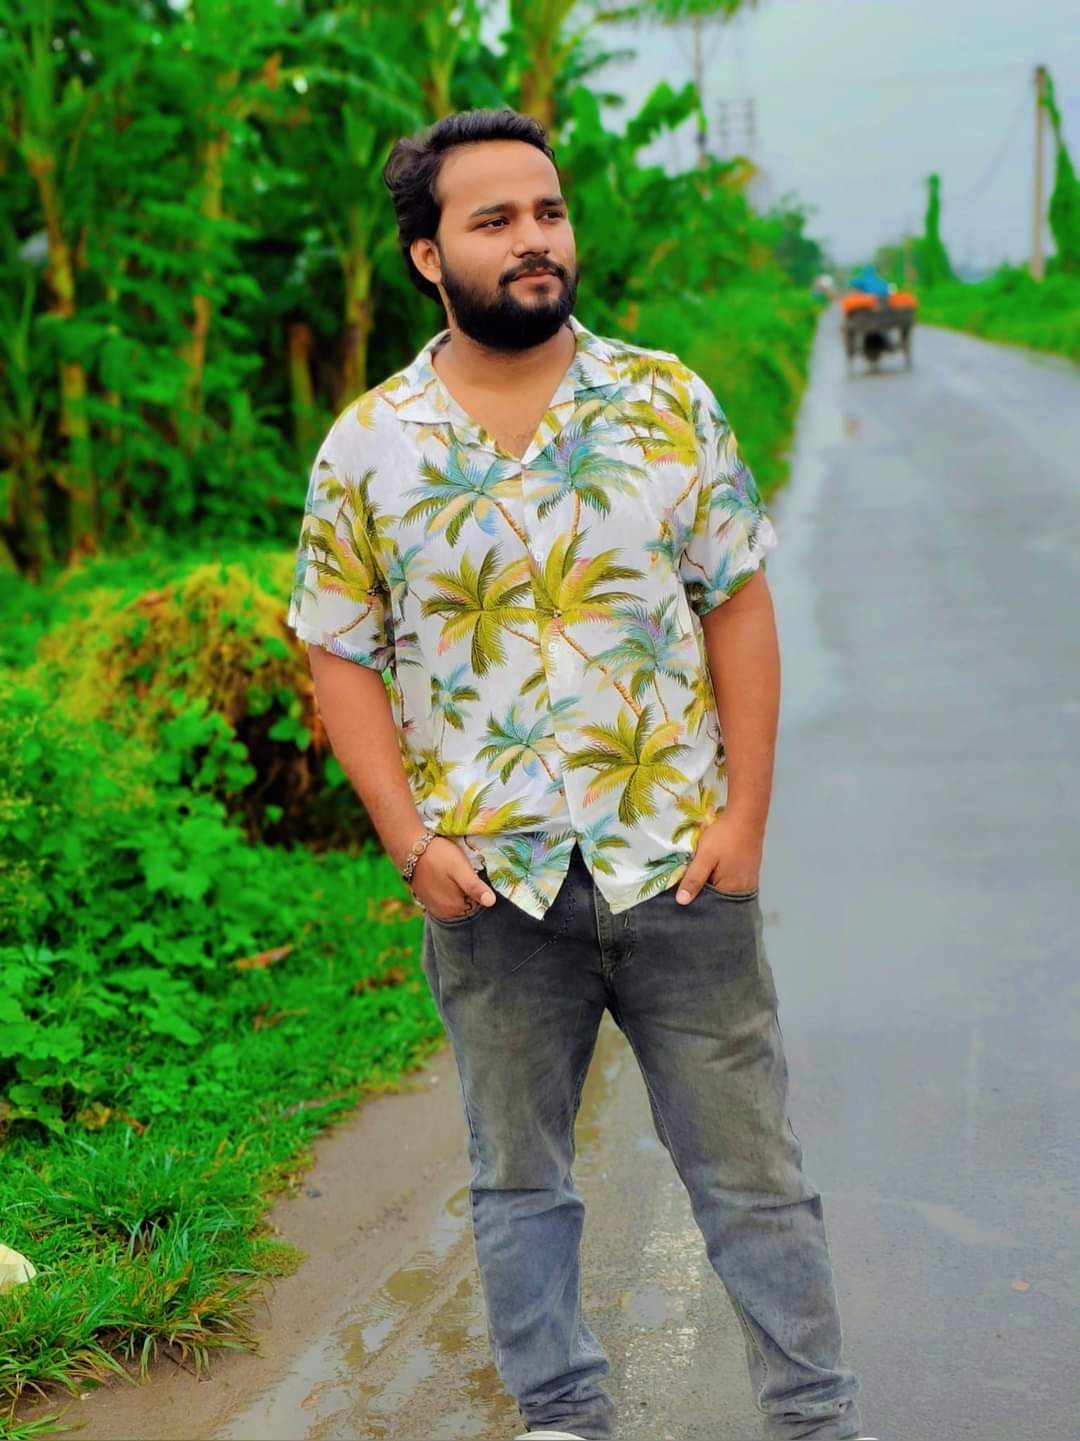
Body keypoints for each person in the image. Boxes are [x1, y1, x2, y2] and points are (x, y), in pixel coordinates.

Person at [287, 108, 875, 1441]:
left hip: (679, 865)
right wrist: (410, 844)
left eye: (548, 212)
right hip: (489, 888)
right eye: (495, 220)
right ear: (429, 256)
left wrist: (745, 818)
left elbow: (737, 604)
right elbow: (339, 653)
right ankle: (562, 1416)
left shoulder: (665, 402)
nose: (534, 239)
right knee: (518, 1182)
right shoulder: (368, 447)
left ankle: (816, 1420)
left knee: (754, 1176)